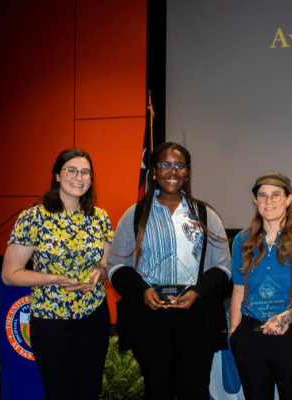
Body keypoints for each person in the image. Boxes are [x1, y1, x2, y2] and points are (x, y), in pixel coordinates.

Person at [107, 142, 231, 400]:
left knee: (194, 391)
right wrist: (142, 291)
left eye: (179, 166)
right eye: (164, 165)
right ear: (154, 171)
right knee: (157, 389)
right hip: (150, 316)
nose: (171, 171)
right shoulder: (135, 214)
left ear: (187, 172)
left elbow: (223, 267)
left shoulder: (206, 214)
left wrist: (197, 292)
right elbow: (116, 266)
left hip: (196, 316)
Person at [1, 148, 113, 400]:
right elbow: (10, 274)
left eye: (85, 172)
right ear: (57, 176)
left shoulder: (99, 218)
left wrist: (99, 273)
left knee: (90, 392)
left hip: (94, 316)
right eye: (71, 170)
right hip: (51, 319)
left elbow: (108, 266)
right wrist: (55, 279)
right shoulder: (34, 217)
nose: (78, 177)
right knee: (59, 393)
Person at [229, 172, 292, 400]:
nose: (269, 201)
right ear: (255, 200)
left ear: (288, 199)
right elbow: (238, 289)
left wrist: (286, 317)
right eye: (262, 196)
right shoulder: (242, 241)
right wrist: (235, 332)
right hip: (250, 335)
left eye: (276, 195)